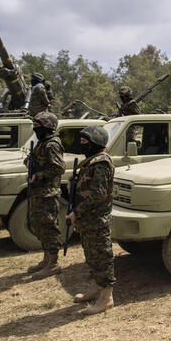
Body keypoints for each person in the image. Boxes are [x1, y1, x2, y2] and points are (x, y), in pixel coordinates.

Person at [68, 125, 115, 314]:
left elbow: (98, 195)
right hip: (88, 220)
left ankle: (106, 298)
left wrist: (76, 211)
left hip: (97, 220)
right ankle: (95, 289)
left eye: (86, 141)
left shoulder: (101, 162)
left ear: (96, 142)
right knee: (91, 255)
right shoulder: (91, 161)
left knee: (102, 257)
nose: (82, 145)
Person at [24, 112, 65, 278]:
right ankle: (46, 259)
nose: (35, 129)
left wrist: (39, 175)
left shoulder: (52, 144)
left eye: (38, 126)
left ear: (48, 127)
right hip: (38, 192)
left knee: (48, 226)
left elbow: (58, 168)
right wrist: (30, 163)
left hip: (48, 193)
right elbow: (28, 160)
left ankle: (53, 263)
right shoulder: (41, 143)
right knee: (38, 225)